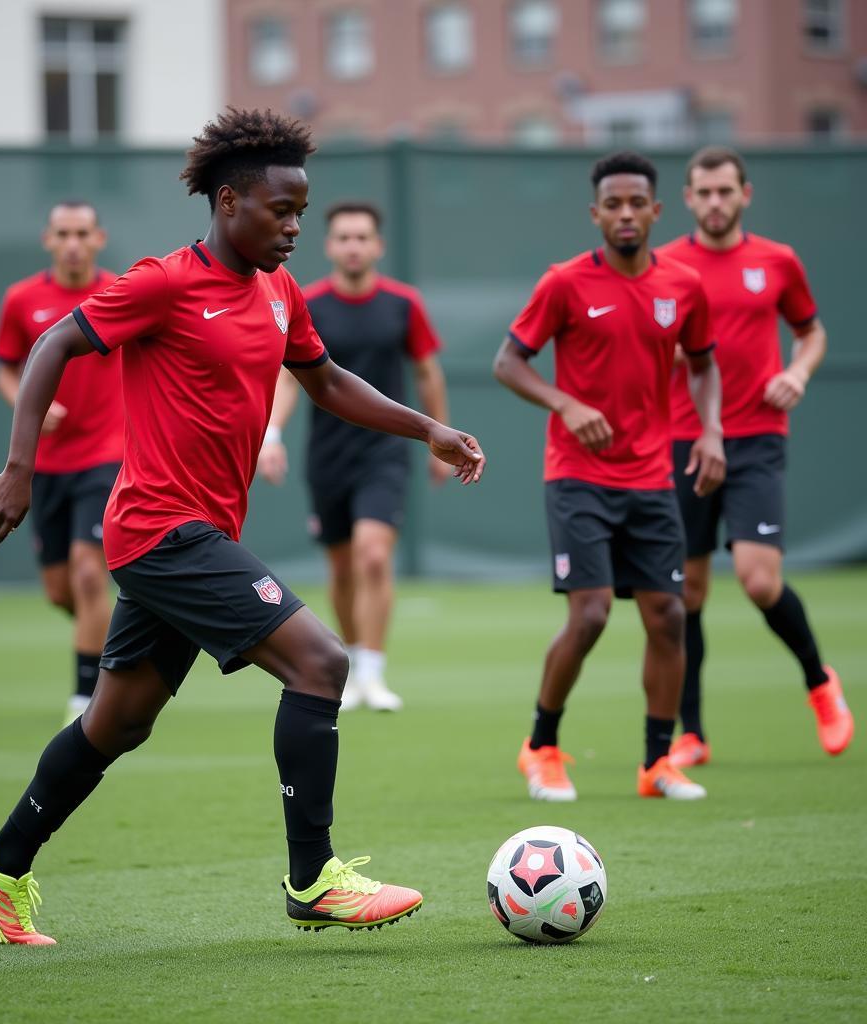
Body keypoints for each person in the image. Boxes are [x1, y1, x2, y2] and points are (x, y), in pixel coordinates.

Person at [0, 107, 486, 945]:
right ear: (230, 202)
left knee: (117, 721)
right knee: (321, 662)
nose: (295, 229)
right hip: (160, 529)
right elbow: (54, 341)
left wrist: (428, 427)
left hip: (194, 531)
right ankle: (314, 879)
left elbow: (327, 380)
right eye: (282, 212)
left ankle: (0, 862)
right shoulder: (164, 282)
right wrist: (19, 466)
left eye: (302, 214)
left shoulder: (280, 291)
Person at [493, 151, 726, 803]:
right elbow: (509, 363)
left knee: (669, 618)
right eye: (613, 204)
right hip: (578, 477)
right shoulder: (565, 283)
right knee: (591, 614)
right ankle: (541, 747)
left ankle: (657, 762)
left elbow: (704, 365)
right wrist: (564, 402)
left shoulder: (683, 286)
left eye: (637, 203)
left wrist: (709, 431)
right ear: (596, 214)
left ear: (656, 210)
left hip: (652, 477)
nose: (626, 214)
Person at [658, 145, 853, 766]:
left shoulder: (777, 261)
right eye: (704, 193)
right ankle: (691, 733)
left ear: (746, 194)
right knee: (686, 591)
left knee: (758, 579)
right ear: (687, 200)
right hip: (683, 440)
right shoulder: (665, 266)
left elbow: (813, 330)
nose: (716, 202)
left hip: (758, 436)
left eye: (726, 191)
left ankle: (820, 685)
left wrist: (798, 371)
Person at [257, 201, 451, 711]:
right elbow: (286, 377)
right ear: (329, 246)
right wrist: (271, 434)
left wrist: (439, 440)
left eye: (362, 237)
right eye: (344, 237)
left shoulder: (403, 305)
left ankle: (373, 673)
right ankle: (355, 660)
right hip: (328, 455)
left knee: (372, 554)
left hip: (385, 450)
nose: (353, 246)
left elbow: (429, 372)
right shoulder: (309, 302)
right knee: (342, 568)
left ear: (378, 246)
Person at [0, 201, 122, 724]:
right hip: (44, 467)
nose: (73, 242)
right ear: (48, 239)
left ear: (99, 238)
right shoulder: (22, 299)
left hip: (109, 454)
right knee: (60, 590)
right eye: (63, 233)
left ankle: (86, 695)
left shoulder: (120, 292)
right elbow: (4, 370)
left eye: (82, 233)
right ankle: (122, 639)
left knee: (91, 573)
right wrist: (27, 402)